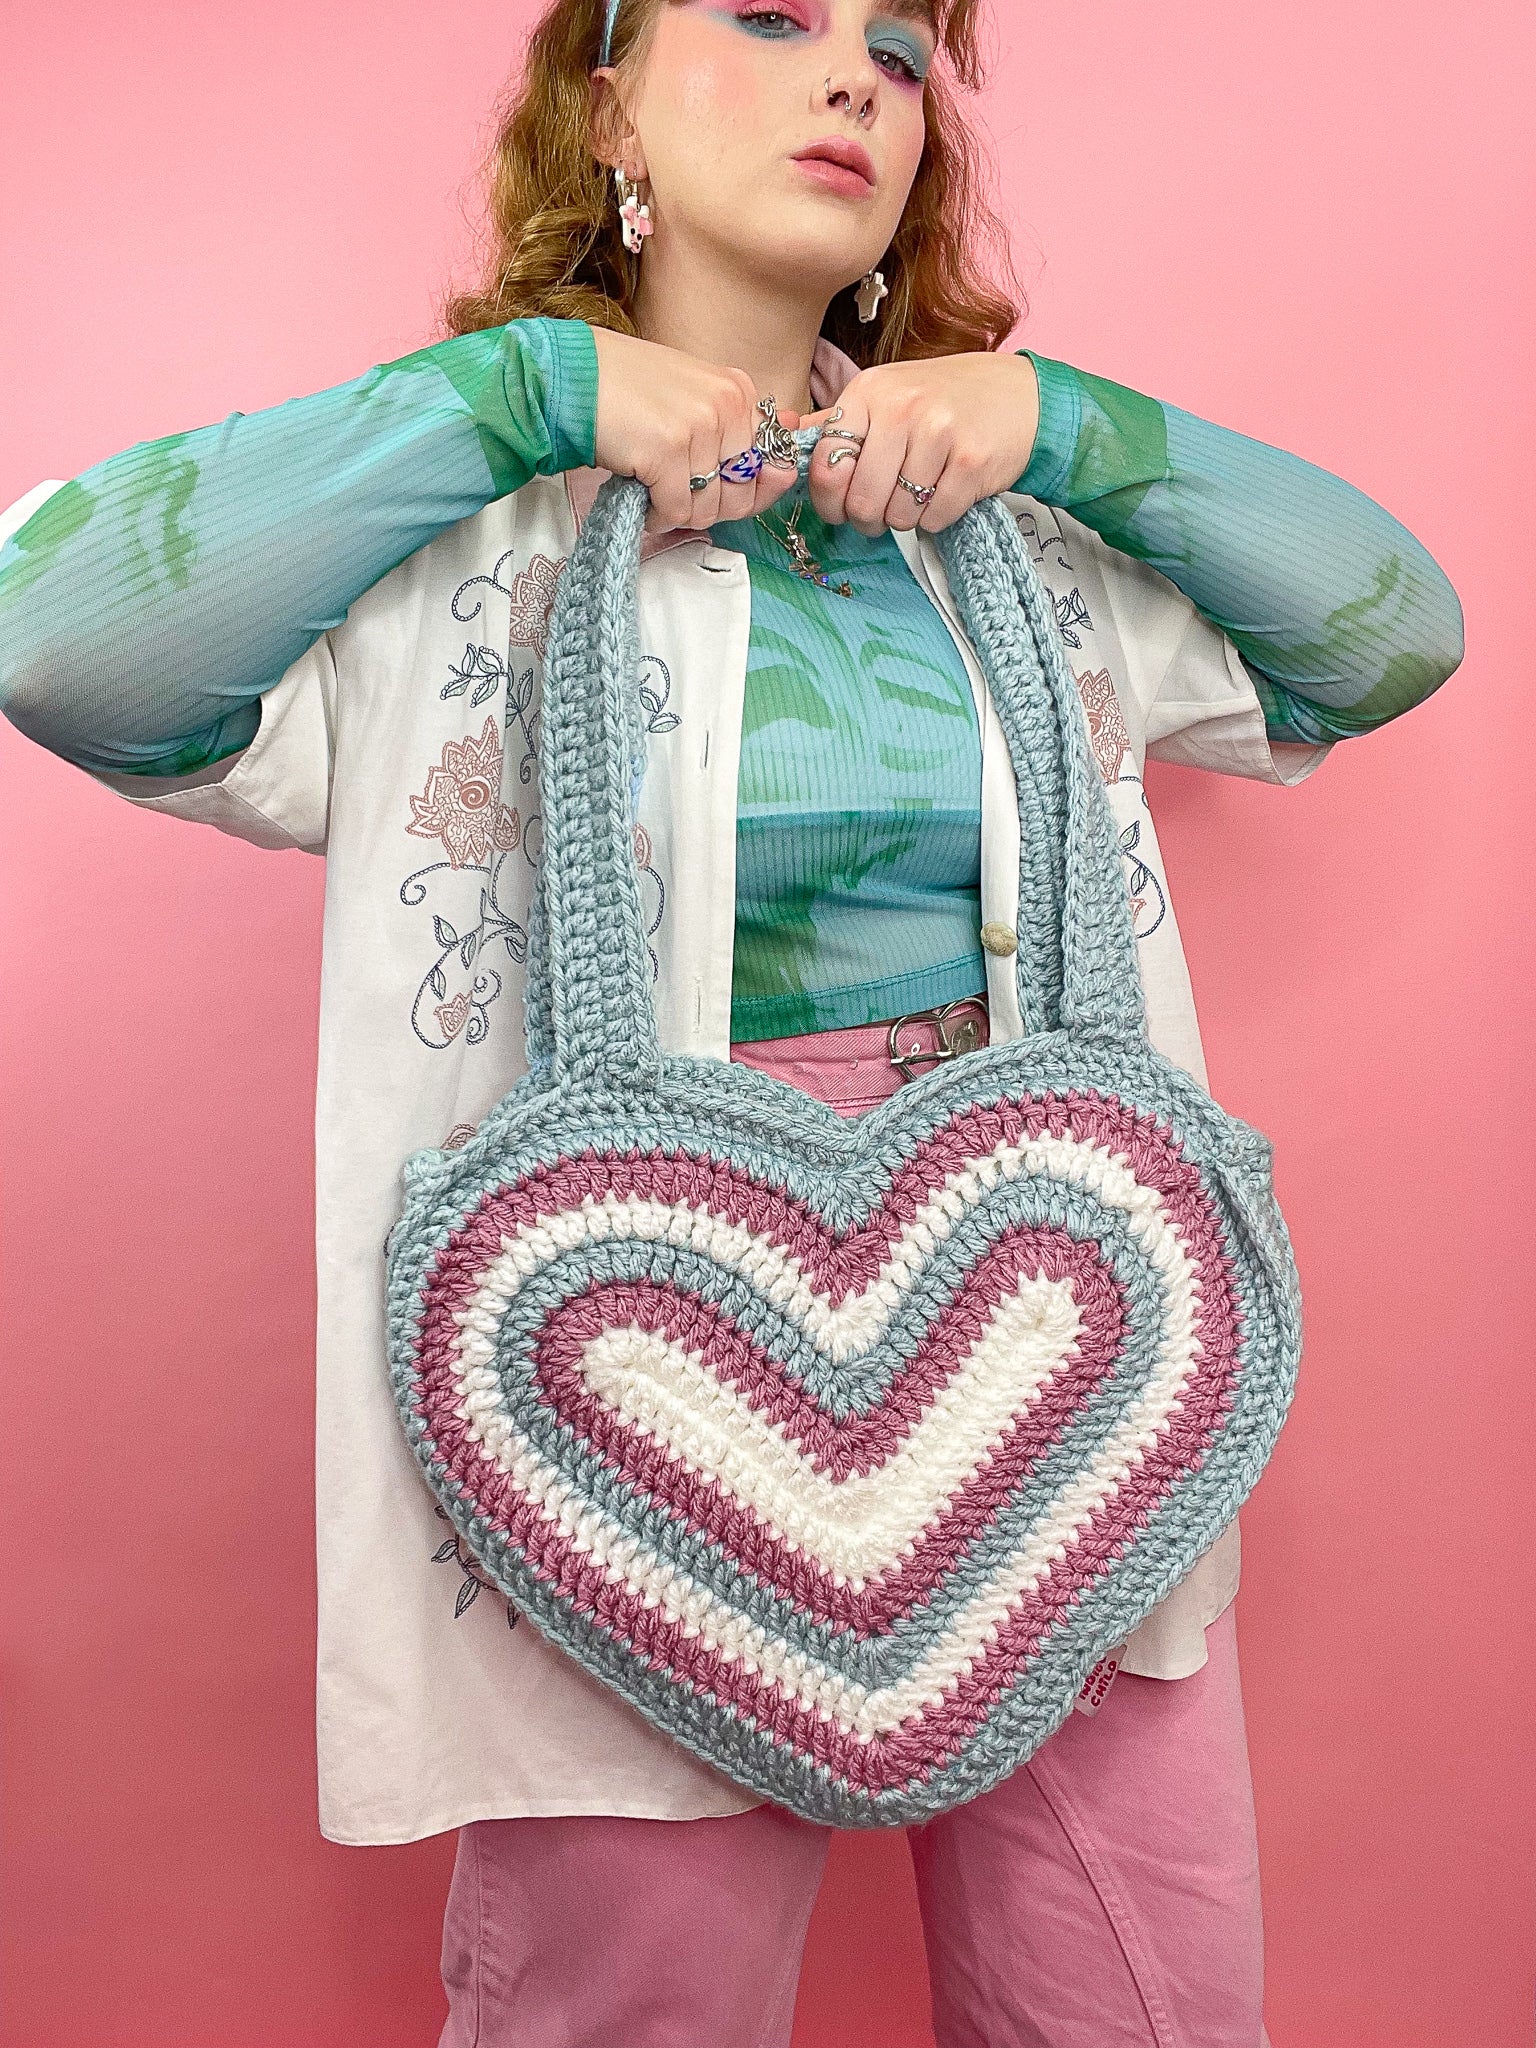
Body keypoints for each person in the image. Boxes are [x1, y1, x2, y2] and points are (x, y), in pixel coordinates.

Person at [0, 0, 1463, 2041]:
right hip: (625, 1342)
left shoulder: (1022, 531)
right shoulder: (459, 528)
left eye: (894, 39)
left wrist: (1066, 424)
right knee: (632, 1999)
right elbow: (56, 638)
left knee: (1141, 1997)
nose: (856, 73)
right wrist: (520, 393)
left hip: (1056, 1307)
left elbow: (1396, 626)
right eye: (768, 16)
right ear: (603, 97)